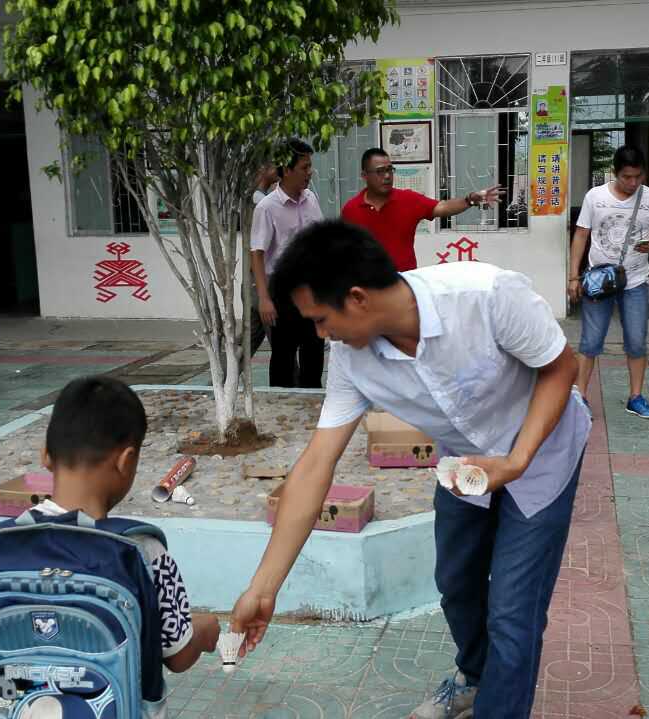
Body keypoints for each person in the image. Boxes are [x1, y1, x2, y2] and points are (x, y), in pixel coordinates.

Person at [230, 220, 592, 719]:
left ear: (357, 298)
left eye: (321, 320)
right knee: (457, 584)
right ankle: (475, 676)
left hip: (542, 453)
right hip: (466, 464)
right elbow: (315, 466)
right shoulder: (351, 360)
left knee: (512, 614)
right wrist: (263, 587)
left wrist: (516, 460)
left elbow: (560, 368)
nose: (320, 335)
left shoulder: (485, 295)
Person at [24, 376, 220, 673]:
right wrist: (204, 631)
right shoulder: (143, 551)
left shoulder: (1, 544)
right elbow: (177, 656)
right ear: (126, 461)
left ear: (45, 456)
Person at [567, 145, 649, 419]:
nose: (633, 183)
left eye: (638, 176)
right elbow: (580, 235)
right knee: (590, 342)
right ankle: (580, 398)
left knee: (636, 342)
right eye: (627, 177)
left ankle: (635, 398)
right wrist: (574, 276)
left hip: (635, 281)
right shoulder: (595, 196)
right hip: (599, 281)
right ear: (615, 172)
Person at [340, 148, 504, 271]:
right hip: (367, 289)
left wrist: (470, 200)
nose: (387, 176)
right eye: (380, 171)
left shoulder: (408, 200)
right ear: (364, 175)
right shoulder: (351, 210)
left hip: (404, 284)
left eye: (390, 169)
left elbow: (441, 207)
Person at [250, 139, 325, 387]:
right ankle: (282, 402)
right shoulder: (267, 207)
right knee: (284, 357)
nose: (310, 172)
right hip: (282, 293)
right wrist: (264, 298)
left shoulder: (311, 198)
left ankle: (312, 403)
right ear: (287, 170)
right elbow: (257, 253)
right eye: (305, 167)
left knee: (314, 353)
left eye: (310, 166)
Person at [248, 161, 279, 357]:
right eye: (275, 166)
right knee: (282, 344)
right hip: (262, 283)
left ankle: (225, 373)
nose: (279, 171)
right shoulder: (260, 202)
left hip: (257, 284)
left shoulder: (262, 199)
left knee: (249, 339)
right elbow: (257, 250)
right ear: (262, 169)